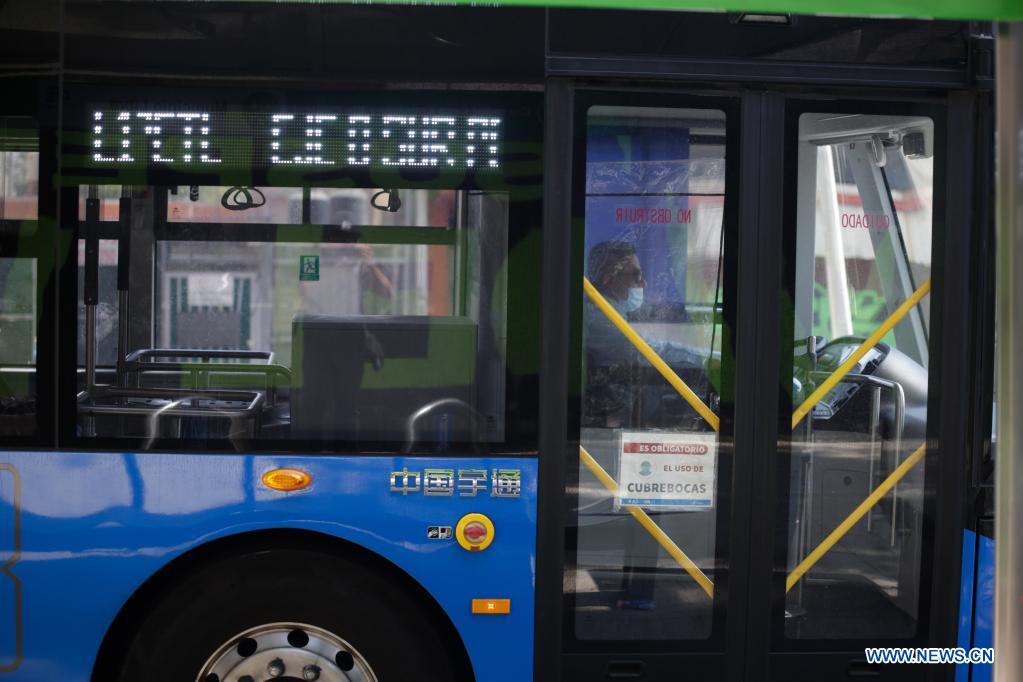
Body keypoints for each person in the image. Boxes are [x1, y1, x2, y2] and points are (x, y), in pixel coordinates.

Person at [584, 240, 708, 430]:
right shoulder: (599, 317)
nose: (644, 282)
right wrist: (699, 357)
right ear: (609, 278)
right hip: (607, 412)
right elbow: (646, 352)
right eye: (636, 275)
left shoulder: (612, 310)